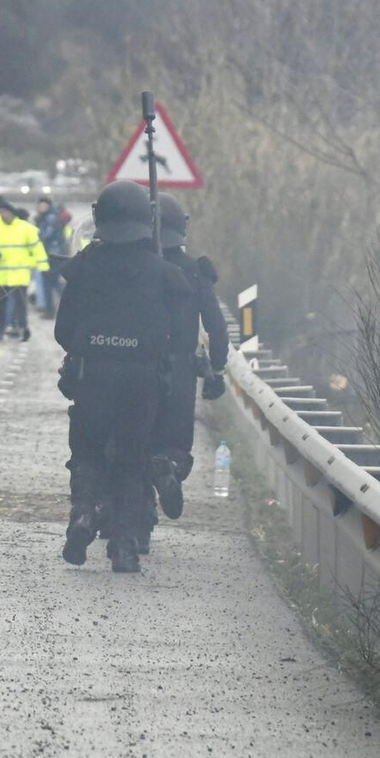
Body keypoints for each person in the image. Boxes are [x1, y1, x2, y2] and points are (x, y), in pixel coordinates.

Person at [54, 181, 191, 574]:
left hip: (92, 377)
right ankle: (125, 545)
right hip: (143, 383)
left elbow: (63, 331)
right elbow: (182, 338)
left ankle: (82, 514)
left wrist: (95, 342)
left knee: (87, 453)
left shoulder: (83, 266)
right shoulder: (164, 272)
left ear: (100, 220)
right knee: (132, 459)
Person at [139, 194, 231, 544]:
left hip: (140, 366)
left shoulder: (137, 266)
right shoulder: (195, 270)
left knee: (135, 440)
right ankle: (169, 468)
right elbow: (216, 325)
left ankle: (139, 516)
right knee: (175, 441)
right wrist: (217, 368)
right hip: (179, 373)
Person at [0, 202, 48, 342]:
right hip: (1, 275)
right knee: (1, 305)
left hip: (19, 275)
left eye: (5, 212)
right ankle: (0, 330)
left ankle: (23, 328)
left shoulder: (26, 229)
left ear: (12, 213)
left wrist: (43, 266)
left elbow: (37, 247)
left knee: (21, 305)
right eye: (1, 212)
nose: (2, 215)